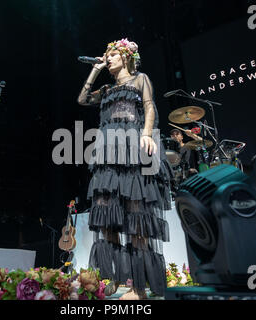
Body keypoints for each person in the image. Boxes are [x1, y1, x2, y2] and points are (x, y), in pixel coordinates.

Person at [77, 38, 172, 300]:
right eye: (107, 56)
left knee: (135, 215)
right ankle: (113, 279)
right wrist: (95, 69)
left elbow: (150, 105)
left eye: (113, 55)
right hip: (109, 149)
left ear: (127, 57)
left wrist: (147, 133)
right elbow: (83, 99)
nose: (108, 59)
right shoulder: (106, 88)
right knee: (107, 214)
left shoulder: (140, 78)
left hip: (133, 144)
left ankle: (138, 288)